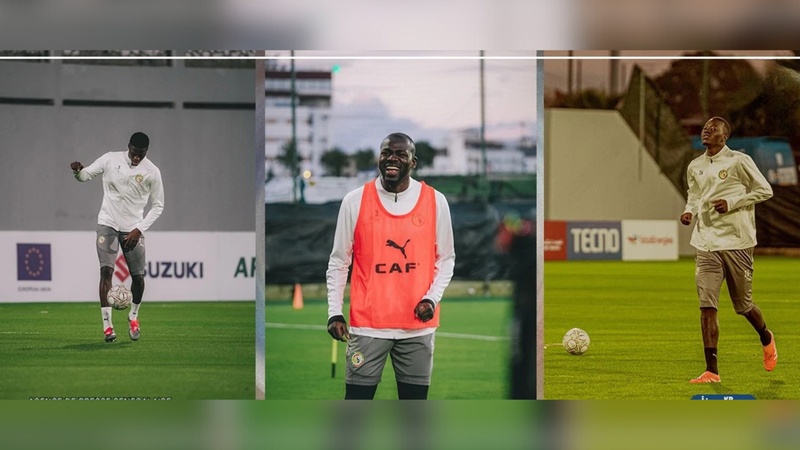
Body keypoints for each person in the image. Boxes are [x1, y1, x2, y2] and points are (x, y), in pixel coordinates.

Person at [326, 132, 455, 400]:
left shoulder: (435, 201)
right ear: (379, 158)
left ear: (413, 162)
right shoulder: (354, 200)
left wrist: (431, 299)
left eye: (400, 154)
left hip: (417, 328)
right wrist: (334, 312)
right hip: (367, 327)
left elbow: (446, 259)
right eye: (386, 153)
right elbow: (339, 261)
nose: (392, 159)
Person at [680, 117, 775, 383]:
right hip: (706, 243)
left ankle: (766, 336)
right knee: (707, 305)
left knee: (743, 306)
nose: (706, 131)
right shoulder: (695, 165)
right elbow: (695, 195)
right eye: (704, 128)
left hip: (737, 243)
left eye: (713, 128)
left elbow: (764, 190)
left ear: (725, 136)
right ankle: (712, 371)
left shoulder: (739, 161)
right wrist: (689, 212)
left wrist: (732, 202)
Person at [70, 132, 164, 343]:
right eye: (134, 153)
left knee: (138, 278)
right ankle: (108, 326)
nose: (137, 157)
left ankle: (133, 316)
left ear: (146, 152)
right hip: (108, 223)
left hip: (133, 229)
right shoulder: (110, 159)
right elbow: (86, 175)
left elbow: (158, 206)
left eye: (141, 154)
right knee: (106, 271)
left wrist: (139, 229)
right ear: (128, 146)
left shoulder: (152, 172)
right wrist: (78, 172)